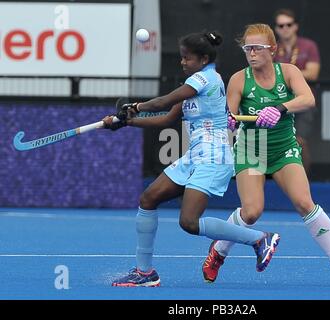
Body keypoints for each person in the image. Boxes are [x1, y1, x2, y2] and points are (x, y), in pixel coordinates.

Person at [103, 31, 280, 287]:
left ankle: (258, 238)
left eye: (187, 58)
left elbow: (163, 102)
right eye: (182, 57)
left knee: (189, 222)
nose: (183, 62)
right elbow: (166, 118)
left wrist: (135, 107)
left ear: (204, 58)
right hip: (195, 154)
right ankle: (145, 273)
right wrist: (127, 122)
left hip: (213, 156)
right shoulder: (194, 83)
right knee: (149, 198)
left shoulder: (205, 78)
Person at [202, 24, 330, 285]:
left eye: (257, 48)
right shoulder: (240, 79)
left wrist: (280, 108)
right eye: (247, 48)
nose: (251, 53)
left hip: (284, 148)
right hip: (252, 149)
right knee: (251, 212)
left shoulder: (289, 72)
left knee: (305, 203)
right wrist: (227, 121)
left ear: (272, 50)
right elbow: (228, 114)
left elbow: (308, 99)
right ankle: (217, 253)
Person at [272, 8, 321, 176]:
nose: (285, 28)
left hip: (302, 102)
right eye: (280, 25)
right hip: (278, 102)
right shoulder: (273, 48)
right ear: (276, 28)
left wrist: (286, 75)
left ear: (295, 27)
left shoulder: (308, 46)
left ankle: (304, 180)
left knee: (299, 141)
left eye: (288, 24)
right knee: (272, 141)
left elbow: (313, 73)